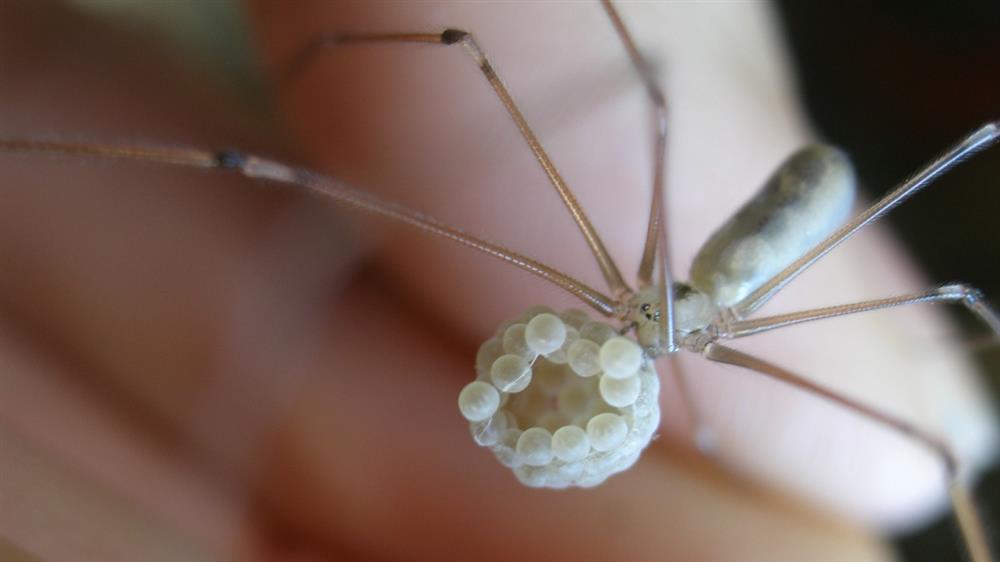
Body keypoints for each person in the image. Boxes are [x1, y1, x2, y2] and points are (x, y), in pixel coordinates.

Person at [0, 2, 993, 560]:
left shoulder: (683, 323)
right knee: (296, 145)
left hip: (790, 224)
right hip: (698, 271)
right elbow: (471, 41)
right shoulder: (624, 299)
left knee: (924, 433)